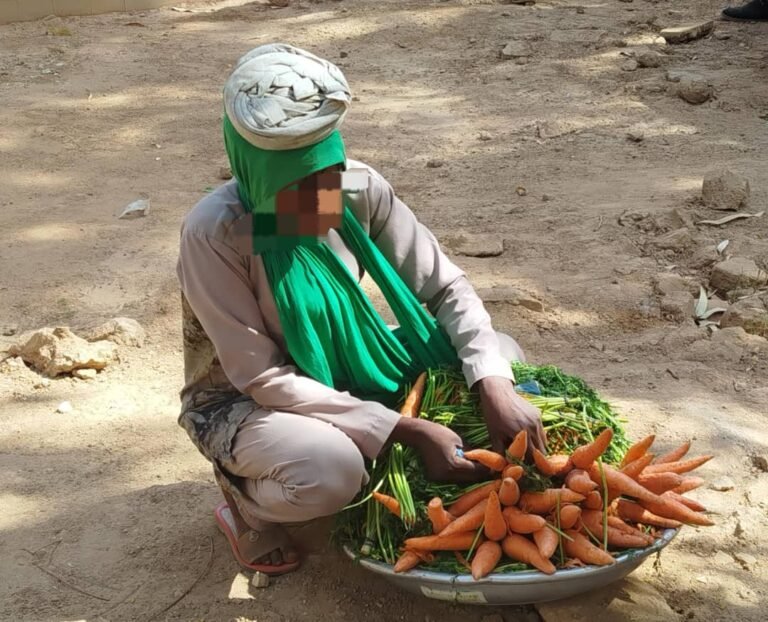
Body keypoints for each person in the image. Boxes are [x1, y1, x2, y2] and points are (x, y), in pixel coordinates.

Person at [176, 43, 546, 576]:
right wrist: (403, 429)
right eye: (297, 188)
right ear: (256, 171)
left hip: (344, 366)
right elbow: (260, 374)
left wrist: (492, 383)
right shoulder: (218, 232)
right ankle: (247, 502)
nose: (319, 200)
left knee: (501, 357)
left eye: (327, 175)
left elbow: (445, 288)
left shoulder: (353, 188)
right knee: (330, 470)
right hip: (248, 401)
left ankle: (377, 438)